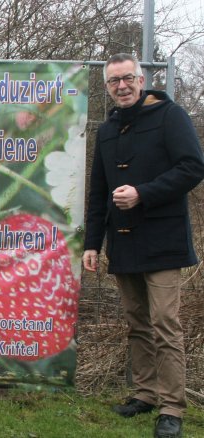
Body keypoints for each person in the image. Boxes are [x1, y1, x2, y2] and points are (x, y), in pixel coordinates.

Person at [83, 53, 204, 438]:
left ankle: (172, 408)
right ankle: (145, 394)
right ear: (107, 87)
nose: (121, 86)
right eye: (113, 81)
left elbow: (192, 167)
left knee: (165, 324)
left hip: (163, 241)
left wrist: (143, 194)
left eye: (127, 78)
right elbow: (99, 190)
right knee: (136, 323)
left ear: (141, 79)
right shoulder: (106, 130)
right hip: (123, 243)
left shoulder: (171, 116)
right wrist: (92, 244)